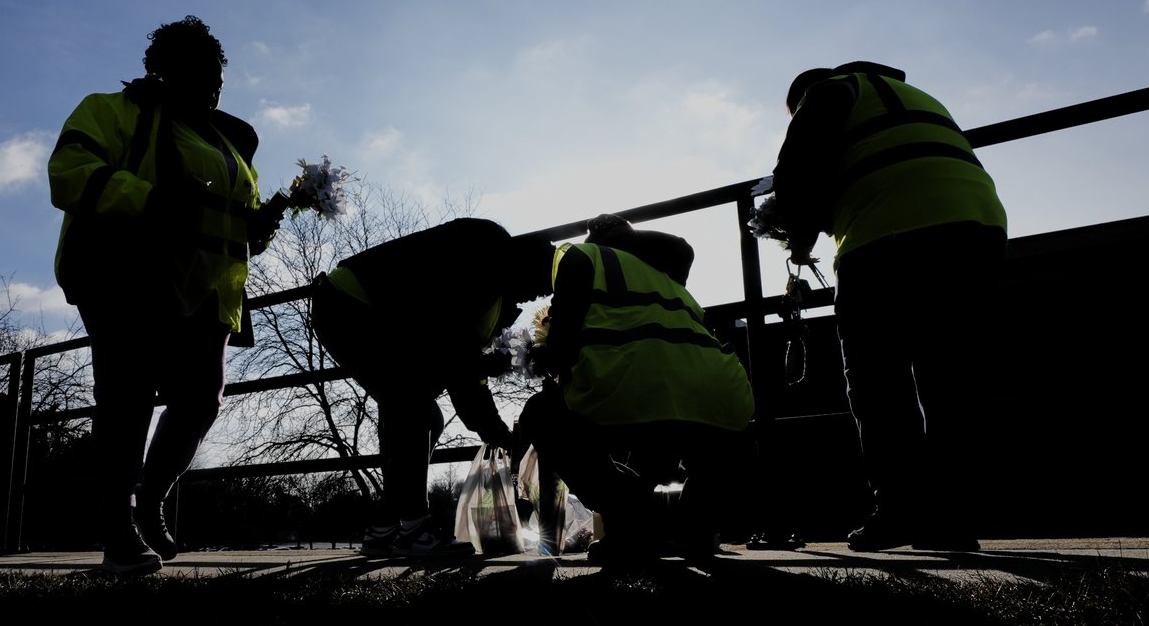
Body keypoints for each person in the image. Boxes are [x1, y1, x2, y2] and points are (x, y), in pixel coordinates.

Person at [48, 15, 283, 575]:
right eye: (197, 71)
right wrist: (149, 201)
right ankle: (116, 523)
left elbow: (226, 212)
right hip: (127, 274)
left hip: (210, 289)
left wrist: (258, 225)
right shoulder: (111, 110)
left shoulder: (230, 136)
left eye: (217, 73)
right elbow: (69, 172)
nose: (212, 83)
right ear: (161, 69)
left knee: (201, 399)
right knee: (126, 398)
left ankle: (150, 497)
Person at [770, 61, 1007, 552]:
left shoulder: (829, 91)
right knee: (952, 378)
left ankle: (899, 511)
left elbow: (796, 171)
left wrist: (795, 235)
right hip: (976, 226)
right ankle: (952, 518)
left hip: (885, 235)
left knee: (879, 380)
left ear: (800, 99)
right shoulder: (912, 93)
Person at [308, 217, 554, 558]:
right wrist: (491, 427)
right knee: (415, 410)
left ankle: (383, 527)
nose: (535, 296)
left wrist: (481, 372)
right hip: (352, 305)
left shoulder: (493, 281)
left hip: (369, 313)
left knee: (419, 414)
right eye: (538, 284)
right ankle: (414, 528)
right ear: (522, 264)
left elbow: (453, 352)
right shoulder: (486, 258)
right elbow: (454, 351)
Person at [519, 214, 755, 567]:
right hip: (724, 399)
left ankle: (632, 519)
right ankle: (694, 525)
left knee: (541, 413)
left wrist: (542, 360)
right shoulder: (667, 277)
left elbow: (564, 345)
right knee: (662, 422)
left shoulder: (584, 258)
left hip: (633, 392)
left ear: (593, 239)